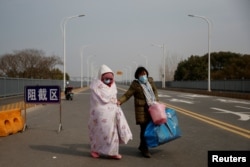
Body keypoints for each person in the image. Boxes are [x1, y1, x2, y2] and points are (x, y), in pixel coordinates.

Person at [88, 64, 132, 160]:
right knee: (98, 133)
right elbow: (95, 103)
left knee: (112, 133)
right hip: (99, 116)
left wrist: (114, 106)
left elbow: (114, 99)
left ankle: (112, 152)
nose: (109, 81)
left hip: (111, 115)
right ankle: (95, 150)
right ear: (101, 78)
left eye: (110, 79)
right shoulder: (96, 87)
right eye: (106, 79)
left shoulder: (113, 86)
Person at [117, 66, 159, 158]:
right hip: (142, 110)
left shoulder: (150, 81)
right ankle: (145, 149)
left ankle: (142, 146)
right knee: (144, 130)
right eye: (141, 74)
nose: (143, 75)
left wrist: (156, 99)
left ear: (147, 74)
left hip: (152, 109)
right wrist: (120, 101)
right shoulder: (135, 85)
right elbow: (127, 95)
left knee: (150, 129)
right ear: (137, 75)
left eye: (144, 73)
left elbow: (155, 91)